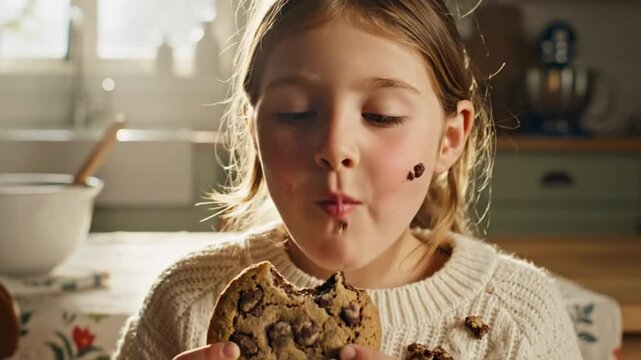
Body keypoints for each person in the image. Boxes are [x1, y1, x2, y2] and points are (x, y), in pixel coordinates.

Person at [114, 0, 583, 359]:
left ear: (449, 137)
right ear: (252, 130)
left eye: (382, 116)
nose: (336, 148)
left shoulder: (519, 320)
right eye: (295, 113)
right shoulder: (186, 301)